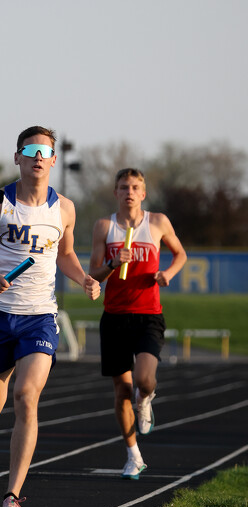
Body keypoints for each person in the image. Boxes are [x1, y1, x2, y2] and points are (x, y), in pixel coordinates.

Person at [0, 125, 100, 507]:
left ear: (53, 160)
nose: (37, 157)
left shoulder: (64, 209)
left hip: (39, 318)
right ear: (17, 157)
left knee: (26, 396)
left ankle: (12, 495)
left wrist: (83, 277)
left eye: (44, 152)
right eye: (30, 151)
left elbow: (64, 254)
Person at [89, 168, 187, 480]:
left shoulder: (157, 222)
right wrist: (112, 263)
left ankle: (145, 401)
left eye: (135, 187)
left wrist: (167, 274)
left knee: (144, 380)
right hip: (114, 317)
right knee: (122, 391)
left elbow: (180, 254)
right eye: (123, 187)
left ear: (143, 193)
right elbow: (93, 273)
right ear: (115, 193)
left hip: (148, 315)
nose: (129, 192)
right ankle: (134, 456)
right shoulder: (104, 226)